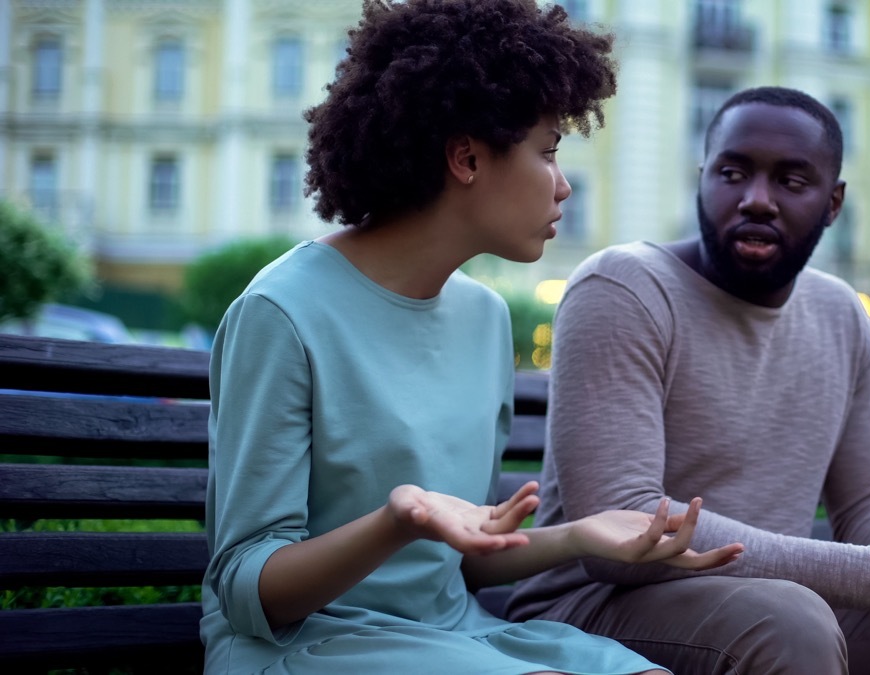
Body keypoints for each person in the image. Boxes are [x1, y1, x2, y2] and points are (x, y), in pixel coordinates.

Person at [200, 2, 744, 673]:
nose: (563, 186)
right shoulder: (280, 312)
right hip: (307, 644)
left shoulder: (485, 319)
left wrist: (581, 535)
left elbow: (463, 557)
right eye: (547, 152)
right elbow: (248, 588)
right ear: (465, 157)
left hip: (454, 633)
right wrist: (397, 519)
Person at [507, 86, 870, 674]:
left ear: (833, 203)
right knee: (788, 620)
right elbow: (624, 529)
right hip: (592, 612)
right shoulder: (623, 288)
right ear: (702, 179)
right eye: (732, 173)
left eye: (791, 181)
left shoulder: (840, 314)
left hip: (776, 607)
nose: (756, 200)